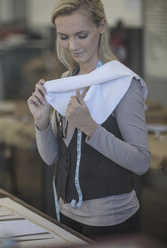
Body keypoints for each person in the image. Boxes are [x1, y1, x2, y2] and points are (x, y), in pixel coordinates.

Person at [27, 0, 150, 241]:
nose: (72, 46)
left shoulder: (123, 83)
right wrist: (41, 121)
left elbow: (141, 162)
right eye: (63, 37)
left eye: (81, 35)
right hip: (66, 214)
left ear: (101, 27)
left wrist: (90, 127)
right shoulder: (65, 81)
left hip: (111, 221)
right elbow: (52, 157)